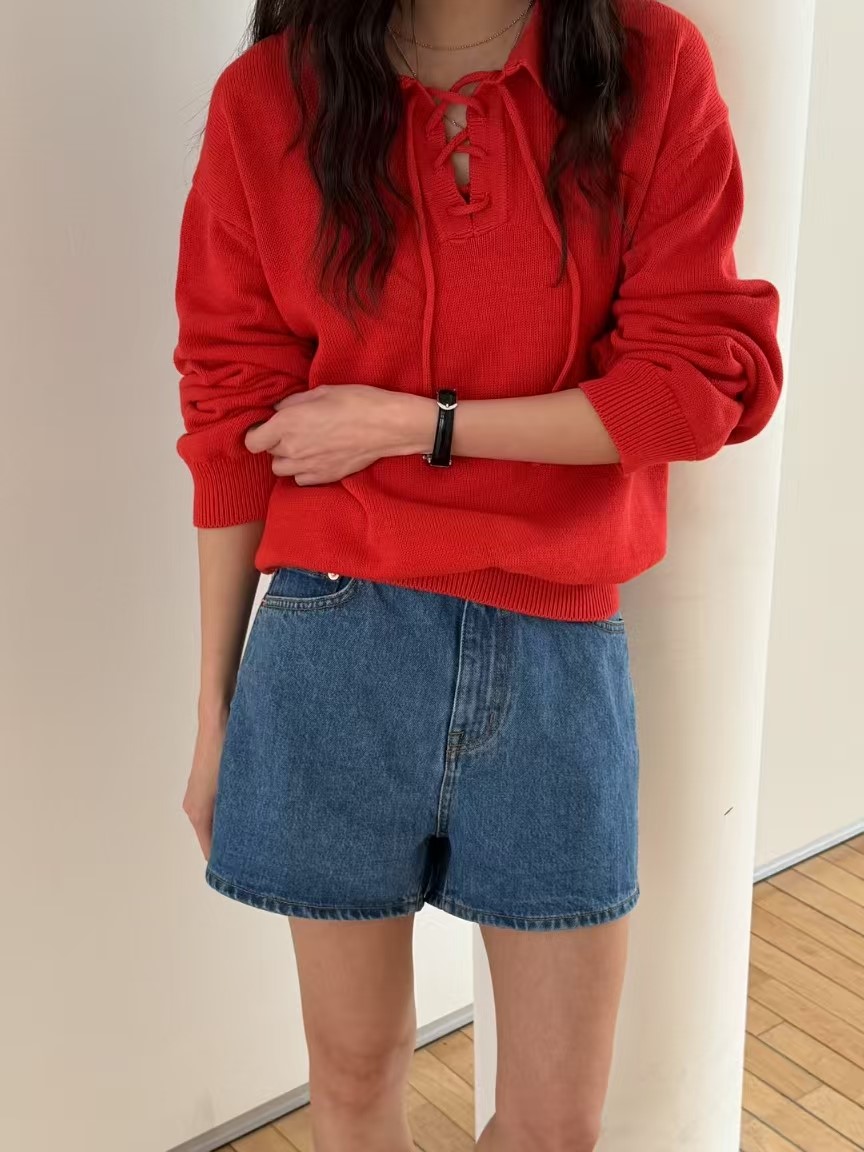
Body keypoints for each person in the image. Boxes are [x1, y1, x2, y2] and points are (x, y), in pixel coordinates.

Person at [173, 1, 783, 1148]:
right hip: (332, 643)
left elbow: (695, 388)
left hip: (556, 654)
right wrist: (214, 712)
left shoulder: (646, 64)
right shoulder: (268, 100)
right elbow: (228, 419)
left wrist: (418, 424)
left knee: (556, 1124)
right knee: (353, 1077)